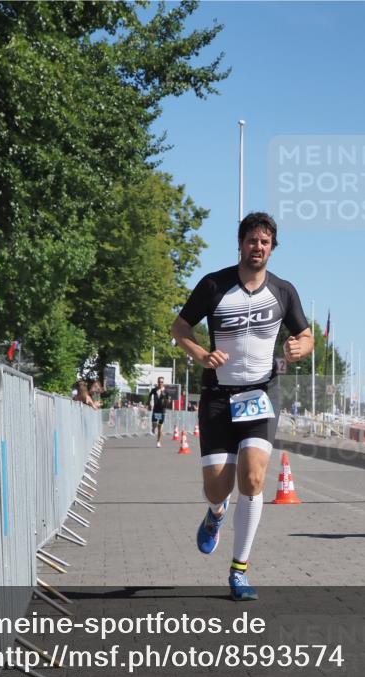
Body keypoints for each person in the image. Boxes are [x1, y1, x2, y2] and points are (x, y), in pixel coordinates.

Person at [171, 212, 312, 601]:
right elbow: (179, 327)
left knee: (252, 477)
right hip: (218, 396)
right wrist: (201, 354)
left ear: (272, 248)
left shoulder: (283, 291)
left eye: (265, 242)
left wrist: (300, 348)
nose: (258, 247)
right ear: (240, 244)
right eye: (252, 240)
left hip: (260, 395)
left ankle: (239, 571)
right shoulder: (214, 285)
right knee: (217, 487)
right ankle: (215, 514)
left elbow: (306, 335)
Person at [148, 376, 171, 447]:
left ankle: (158, 441)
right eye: (159, 382)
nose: (160, 383)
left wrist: (168, 401)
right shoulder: (154, 390)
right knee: (154, 423)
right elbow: (149, 396)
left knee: (160, 427)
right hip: (155, 409)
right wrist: (149, 404)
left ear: (163, 383)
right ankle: (153, 428)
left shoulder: (166, 391)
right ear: (157, 382)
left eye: (162, 382)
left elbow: (169, 400)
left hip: (162, 410)